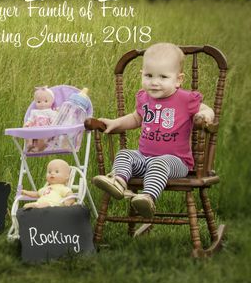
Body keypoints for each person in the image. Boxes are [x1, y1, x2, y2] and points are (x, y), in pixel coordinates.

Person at [92, 43, 214, 218]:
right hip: (144, 158)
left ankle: (147, 197)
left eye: (163, 77)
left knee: (160, 163)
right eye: (149, 76)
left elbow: (207, 109)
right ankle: (118, 182)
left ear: (178, 80)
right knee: (124, 154)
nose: (154, 82)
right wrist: (114, 123)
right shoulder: (144, 97)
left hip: (176, 163)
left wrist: (205, 116)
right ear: (142, 75)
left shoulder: (186, 99)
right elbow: (135, 118)